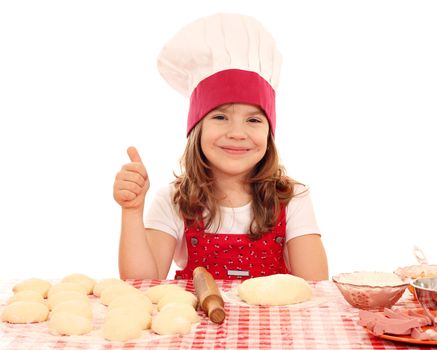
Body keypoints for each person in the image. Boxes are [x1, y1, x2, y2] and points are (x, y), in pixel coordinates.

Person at [113, 13, 328, 281]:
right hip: (194, 323)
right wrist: (132, 211)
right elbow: (142, 285)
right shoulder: (173, 201)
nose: (237, 133)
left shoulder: (292, 198)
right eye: (220, 117)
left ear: (269, 132)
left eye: (253, 119)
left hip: (274, 323)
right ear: (196, 129)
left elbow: (317, 288)